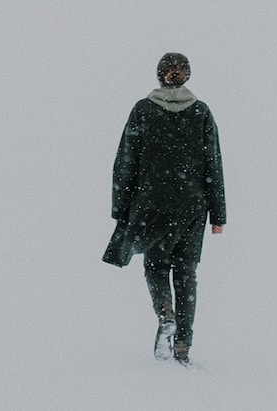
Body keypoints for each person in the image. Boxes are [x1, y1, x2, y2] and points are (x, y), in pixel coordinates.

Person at [102, 52, 226, 366]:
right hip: (192, 206)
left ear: (160, 76)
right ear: (187, 76)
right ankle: (183, 344)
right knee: (186, 273)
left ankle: (165, 314)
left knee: (156, 267)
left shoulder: (143, 110)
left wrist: (121, 208)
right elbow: (214, 163)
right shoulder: (201, 112)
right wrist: (218, 215)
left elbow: (125, 161)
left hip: (152, 203)